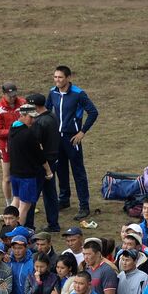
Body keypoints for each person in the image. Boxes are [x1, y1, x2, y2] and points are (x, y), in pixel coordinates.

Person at [48, 65, 98, 220]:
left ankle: (84, 206)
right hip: (57, 138)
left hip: (72, 138)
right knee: (60, 169)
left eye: (60, 77)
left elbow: (93, 112)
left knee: (78, 172)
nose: (57, 80)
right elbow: (47, 110)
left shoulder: (78, 94)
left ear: (68, 78)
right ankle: (64, 199)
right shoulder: (52, 92)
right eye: (55, 77)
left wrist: (82, 132)